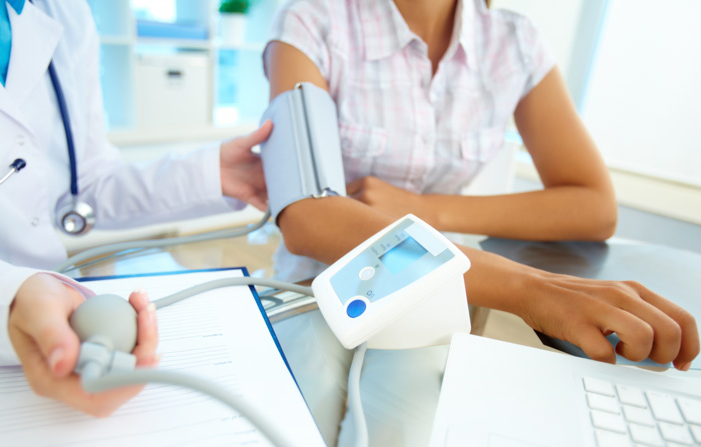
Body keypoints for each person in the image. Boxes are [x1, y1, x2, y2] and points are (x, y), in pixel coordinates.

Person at [263, 0, 699, 445]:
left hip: (443, 290)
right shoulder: (314, 19)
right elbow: (307, 215)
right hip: (317, 283)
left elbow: (593, 205)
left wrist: (420, 208)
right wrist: (531, 289)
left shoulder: (514, 42)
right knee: (291, 422)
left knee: (403, 432)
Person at [0, 0, 272, 416]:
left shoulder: (64, 12)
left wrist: (216, 174)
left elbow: (87, 182)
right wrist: (5, 298)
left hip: (62, 329)